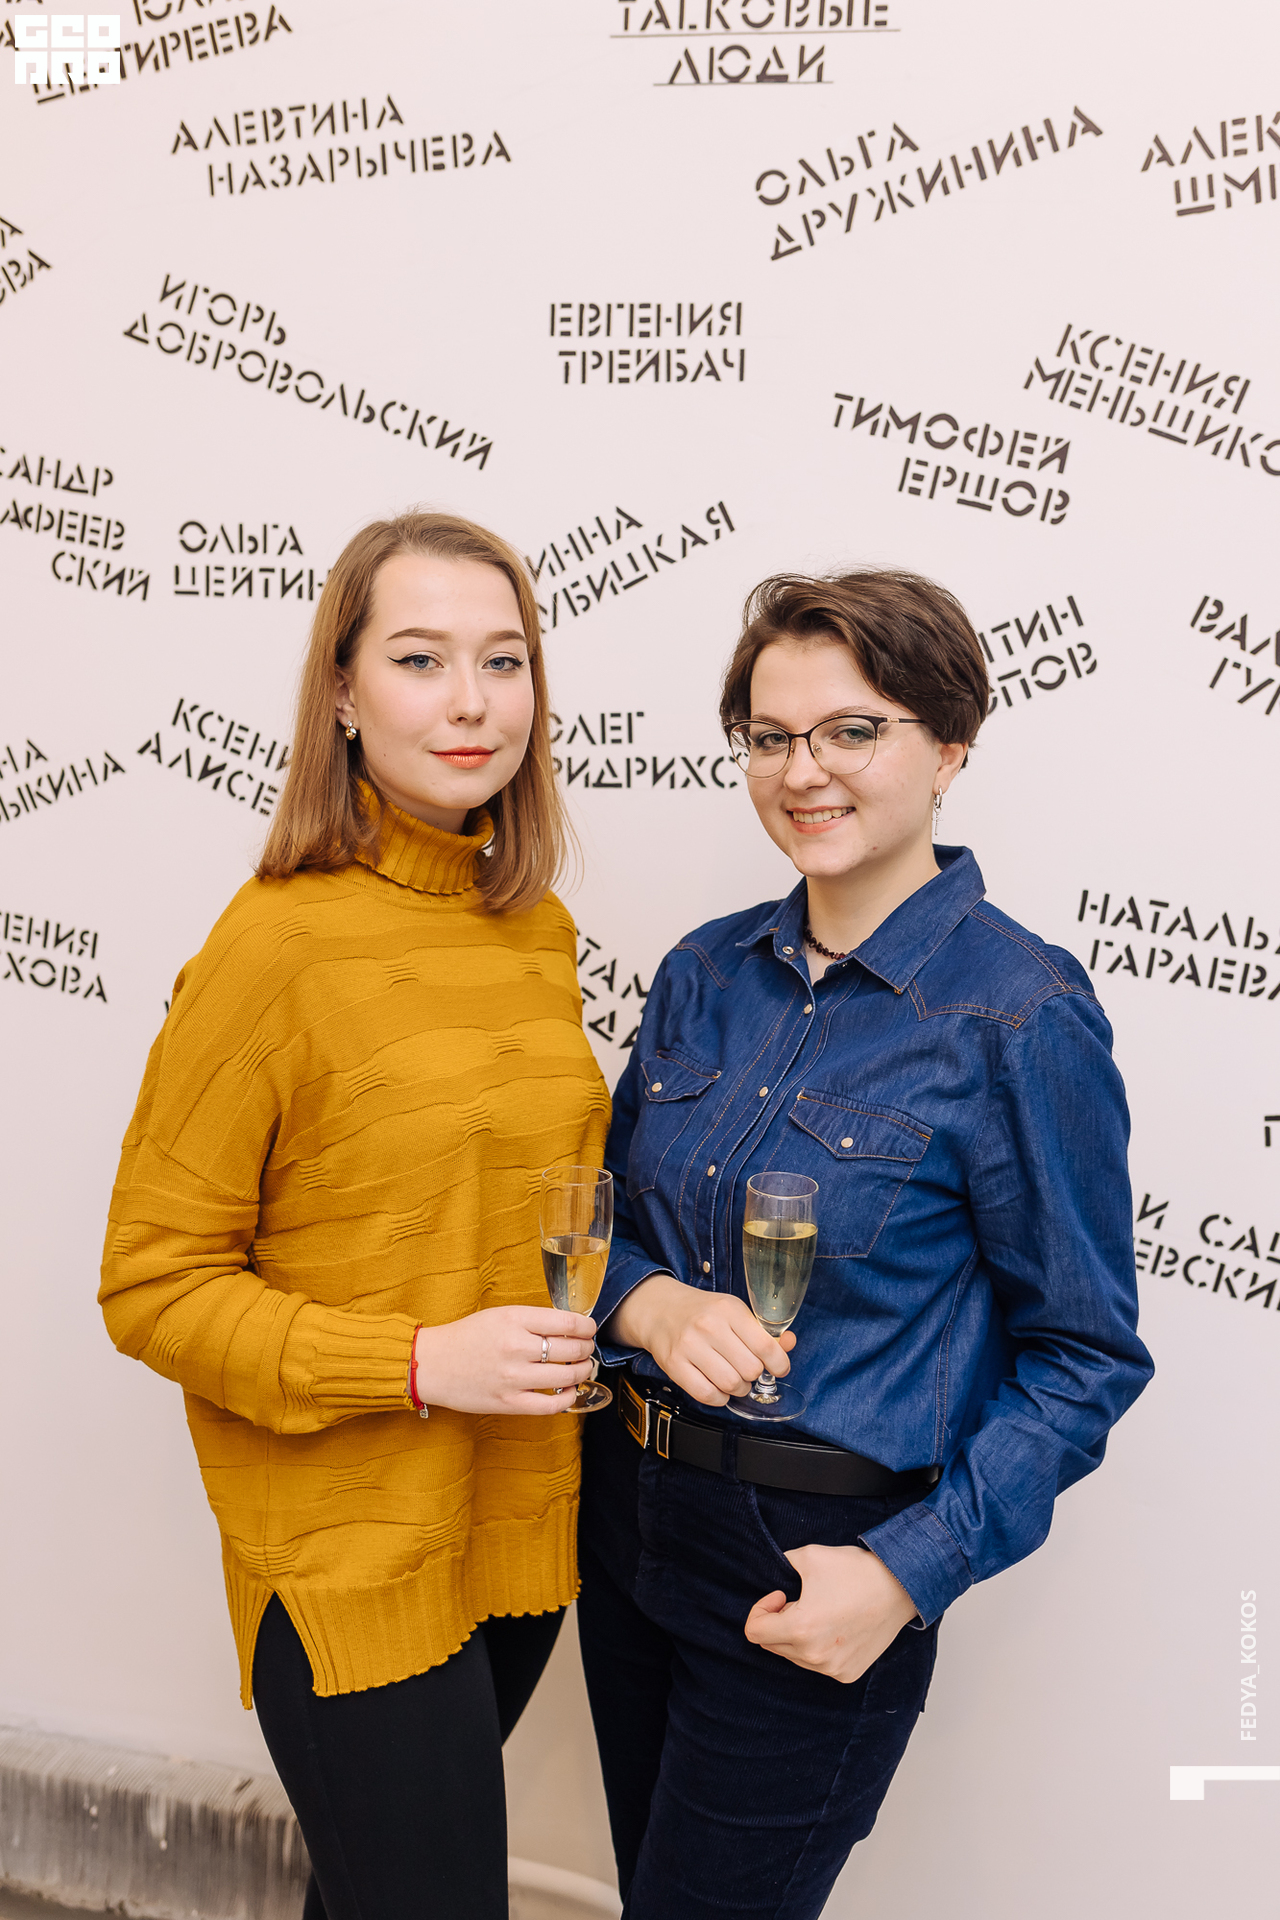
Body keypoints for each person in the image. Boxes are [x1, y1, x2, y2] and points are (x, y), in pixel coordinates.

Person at [577, 569, 1153, 1920]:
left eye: (853, 731)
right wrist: (649, 1304)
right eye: (771, 736)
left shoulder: (1020, 1014)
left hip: (821, 1554)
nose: (804, 771)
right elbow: (595, 1226)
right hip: (630, 1518)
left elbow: (1085, 1358)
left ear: (950, 746)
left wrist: (907, 1572)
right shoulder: (703, 972)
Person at [99, 510, 610, 1920]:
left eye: (503, 660)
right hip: (347, 1557)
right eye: (420, 658)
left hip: (515, 1532)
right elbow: (150, 1285)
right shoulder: (273, 944)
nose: (471, 702)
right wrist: (420, 1362)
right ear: (340, 691)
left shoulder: (537, 931)